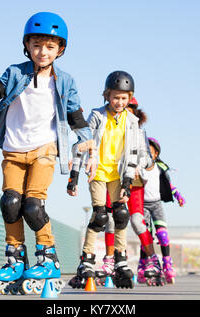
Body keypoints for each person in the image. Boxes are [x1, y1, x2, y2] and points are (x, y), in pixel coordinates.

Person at [0, 12, 96, 295]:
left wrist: (89, 147)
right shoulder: (16, 73)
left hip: (45, 149)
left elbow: (76, 115)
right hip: (13, 150)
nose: (42, 52)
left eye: (50, 46)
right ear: (27, 45)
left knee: (32, 205)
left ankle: (48, 257)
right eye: (36, 45)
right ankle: (16, 257)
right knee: (10, 202)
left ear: (60, 50)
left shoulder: (65, 81)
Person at [67, 71, 139, 289]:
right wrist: (74, 176)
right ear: (107, 95)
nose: (119, 102)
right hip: (97, 171)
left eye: (124, 98)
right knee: (99, 216)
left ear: (130, 98)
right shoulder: (97, 115)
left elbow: (133, 152)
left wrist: (127, 182)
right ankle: (87, 259)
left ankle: (120, 258)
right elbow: (84, 142)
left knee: (121, 214)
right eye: (116, 97)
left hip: (118, 174)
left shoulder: (132, 120)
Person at [95, 97, 165, 286]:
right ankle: (110, 260)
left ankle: (152, 260)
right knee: (110, 219)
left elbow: (148, 160)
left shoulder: (139, 131)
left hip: (134, 181)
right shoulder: (107, 124)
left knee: (136, 220)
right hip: (112, 177)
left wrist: (137, 164)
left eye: (130, 107)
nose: (124, 109)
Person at [140, 137, 185, 284]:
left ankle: (167, 263)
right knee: (146, 237)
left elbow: (169, 184)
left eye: (151, 153)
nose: (148, 155)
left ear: (156, 154)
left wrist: (178, 196)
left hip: (157, 205)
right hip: (143, 205)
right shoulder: (138, 167)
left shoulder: (160, 168)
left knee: (163, 235)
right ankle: (143, 265)